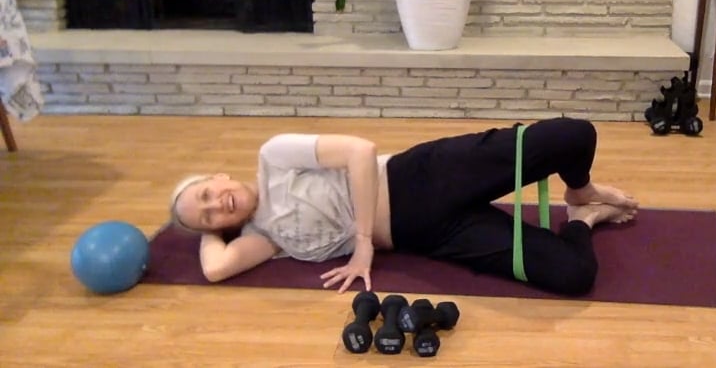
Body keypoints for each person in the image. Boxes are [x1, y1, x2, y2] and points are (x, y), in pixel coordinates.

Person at [169, 117, 639, 296]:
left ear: (219, 177)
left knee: (574, 135)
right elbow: (215, 270)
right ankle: (583, 218)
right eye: (208, 214)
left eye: (209, 194)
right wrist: (204, 227)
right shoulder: (265, 238)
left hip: (421, 174)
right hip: (432, 236)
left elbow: (358, 149)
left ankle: (579, 190)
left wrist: (361, 247)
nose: (217, 206)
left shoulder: (274, 157)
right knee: (574, 276)